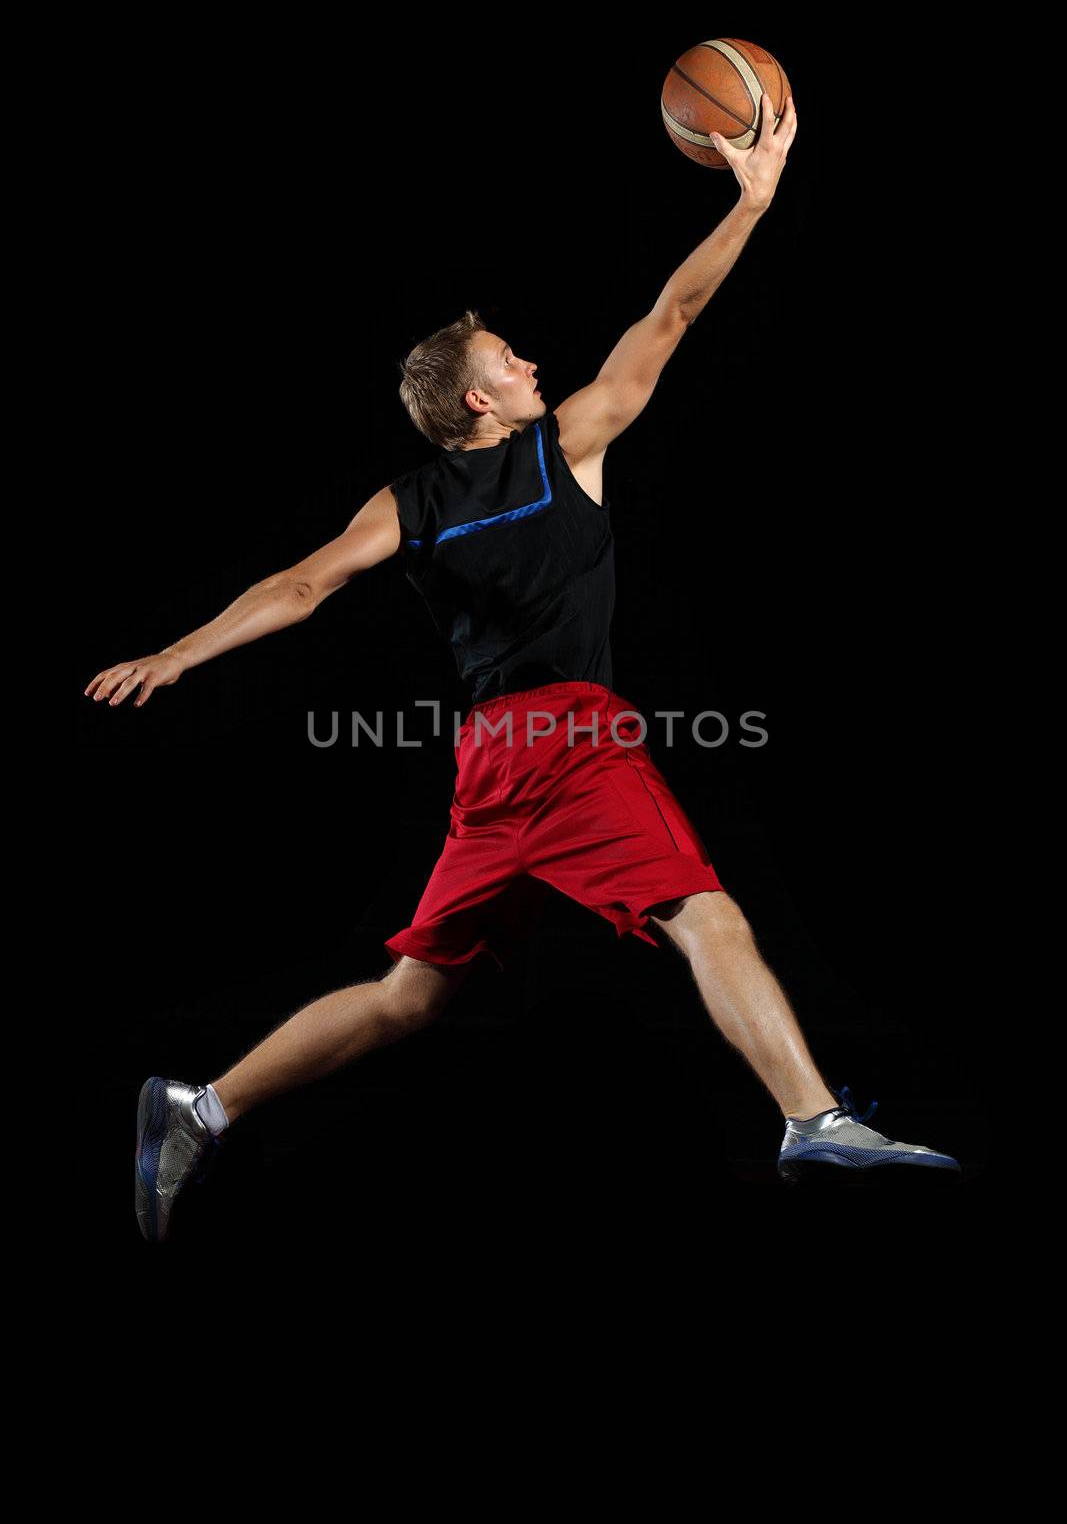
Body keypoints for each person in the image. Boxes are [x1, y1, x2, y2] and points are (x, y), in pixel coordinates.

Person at [85, 91, 959, 1240]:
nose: (531, 358)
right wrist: (754, 198)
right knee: (705, 911)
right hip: (567, 737)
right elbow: (671, 313)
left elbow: (306, 581)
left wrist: (179, 650)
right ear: (474, 398)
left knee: (411, 996)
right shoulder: (556, 450)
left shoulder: (429, 496)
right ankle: (808, 1117)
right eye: (509, 354)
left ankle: (199, 1107)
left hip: (491, 763)